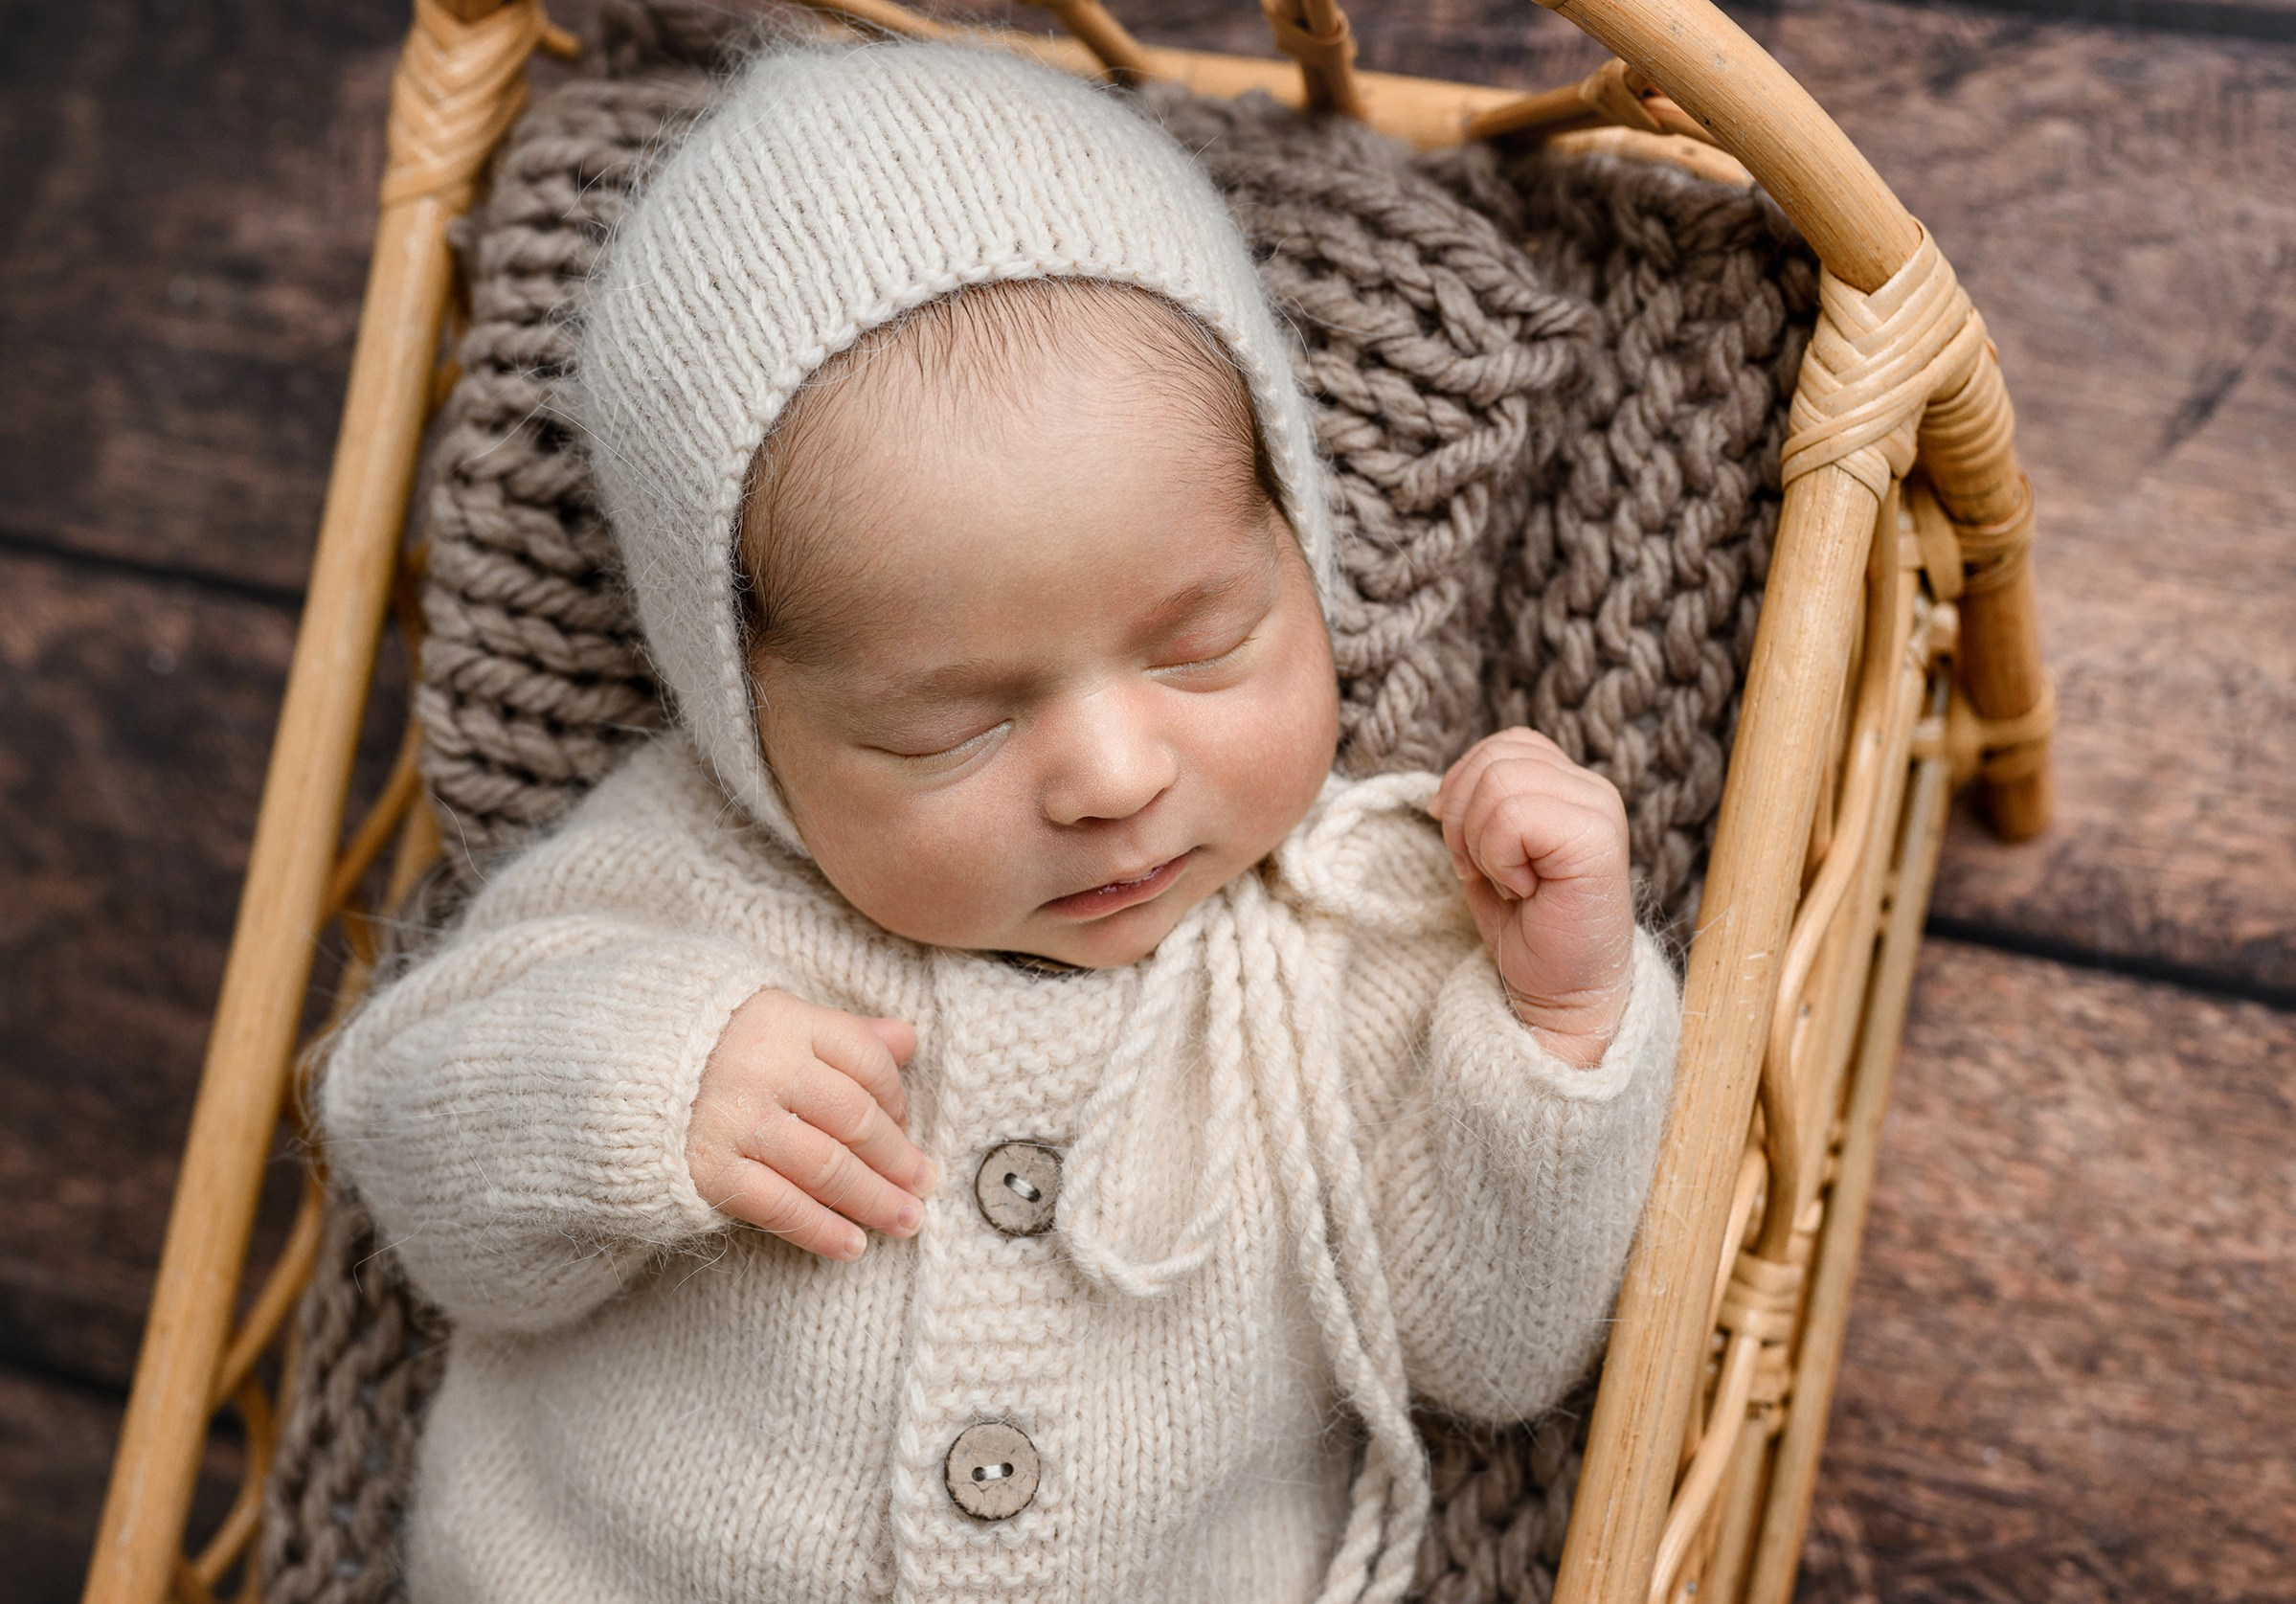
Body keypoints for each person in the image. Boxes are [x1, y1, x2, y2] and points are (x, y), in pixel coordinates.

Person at [321, 39, 1680, 1604]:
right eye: (948, 724)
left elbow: (1490, 1346)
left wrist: (1561, 1023)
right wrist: (641, 1084)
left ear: (1297, 550)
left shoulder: (1351, 950)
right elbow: (413, 1150)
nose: (1111, 774)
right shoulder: (677, 881)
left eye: (1199, 644)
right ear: (746, 723)